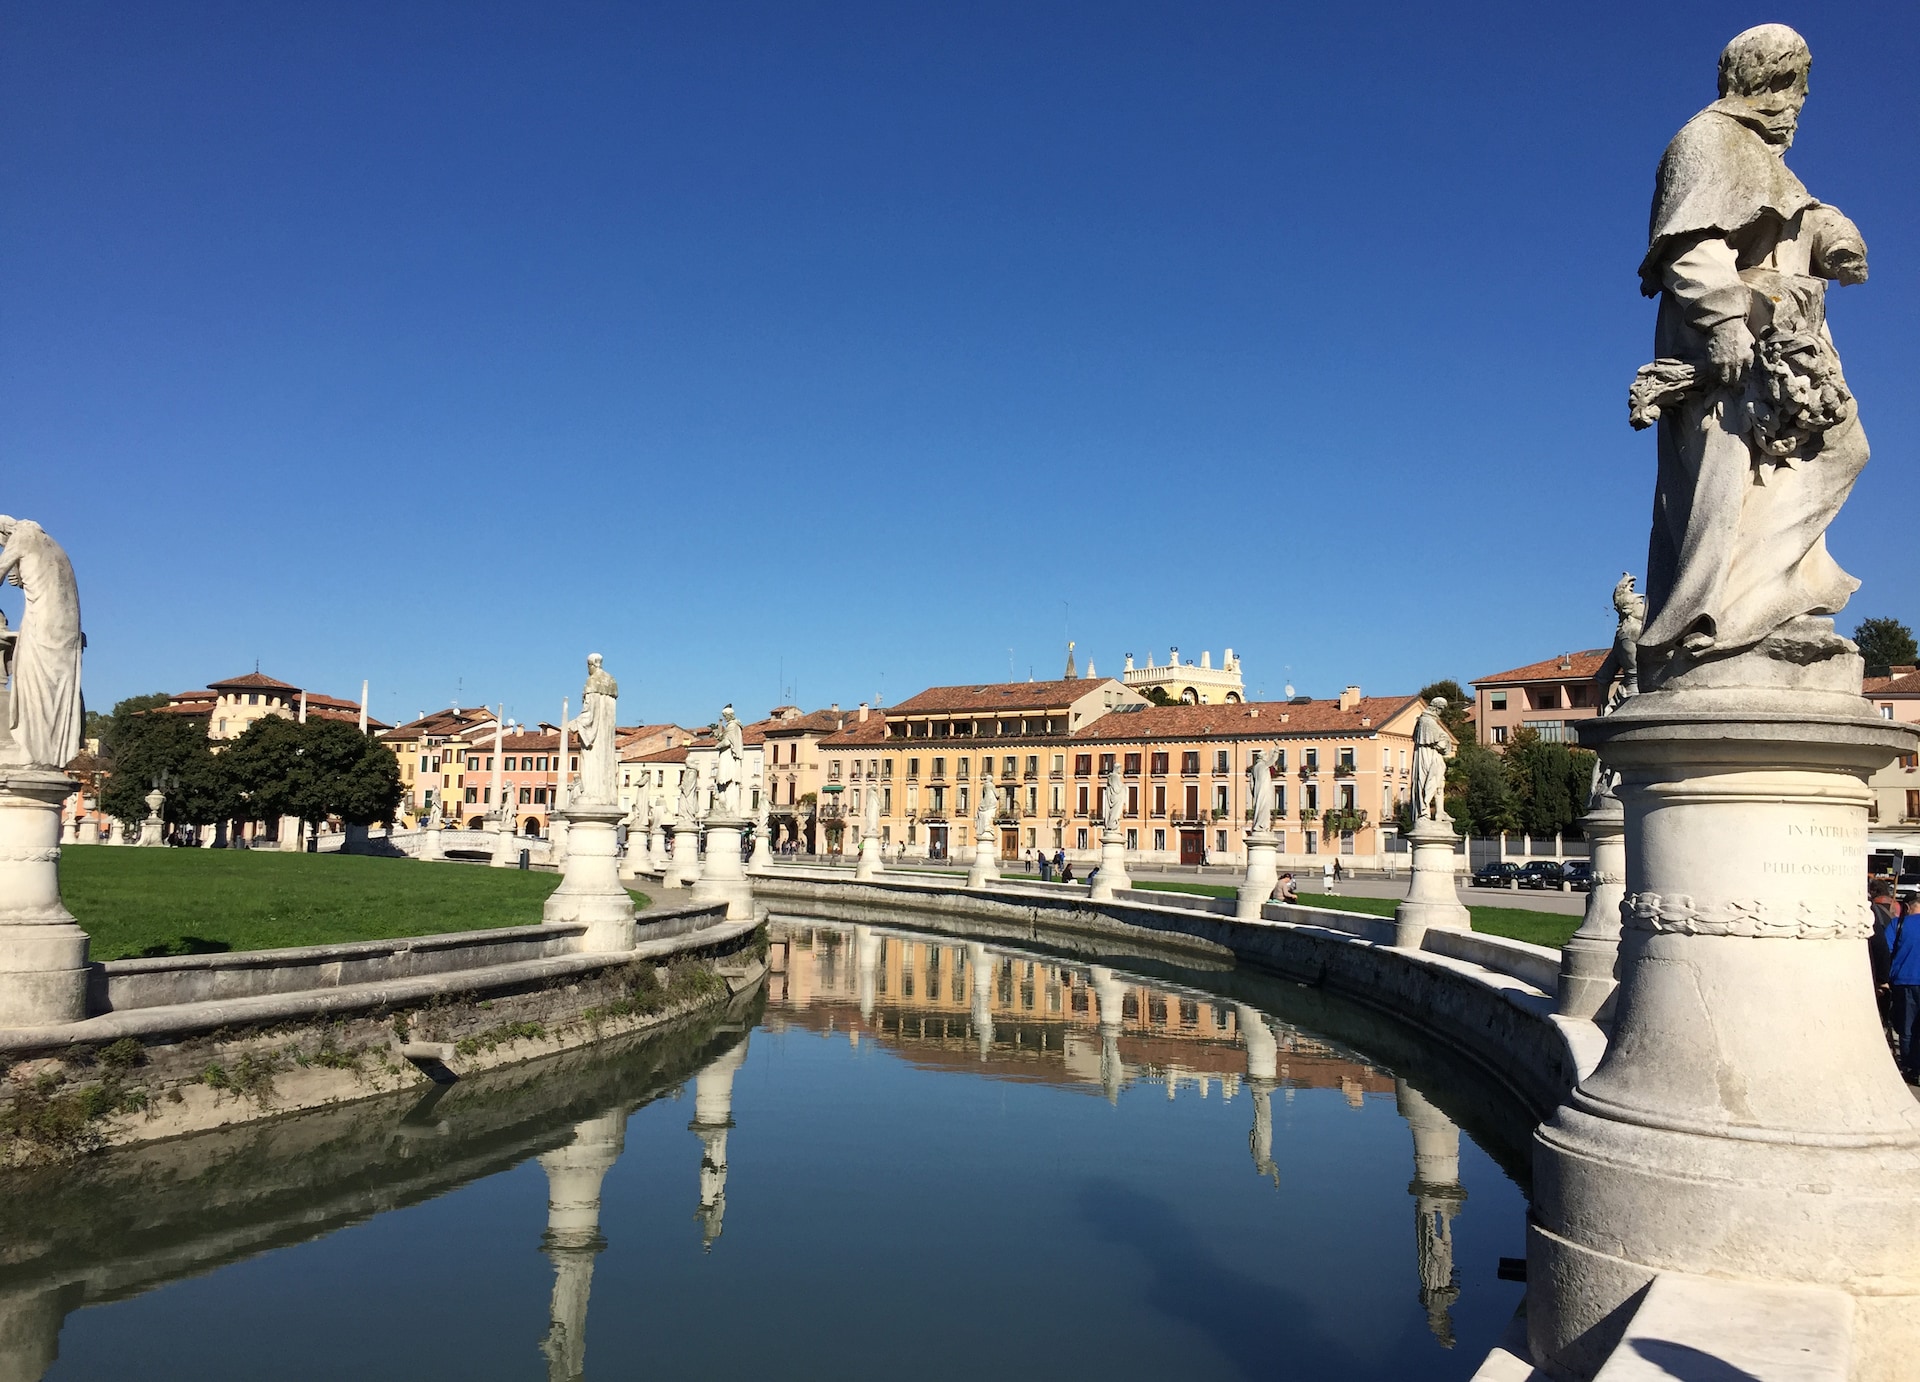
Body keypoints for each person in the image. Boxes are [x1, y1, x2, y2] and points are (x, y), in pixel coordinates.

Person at [1879, 883, 1920, 1085]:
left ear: (1908, 907)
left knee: (1907, 1029)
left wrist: (1884, 980)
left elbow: (1885, 951)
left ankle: (1911, 1068)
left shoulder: (1898, 924)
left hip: (1904, 981)